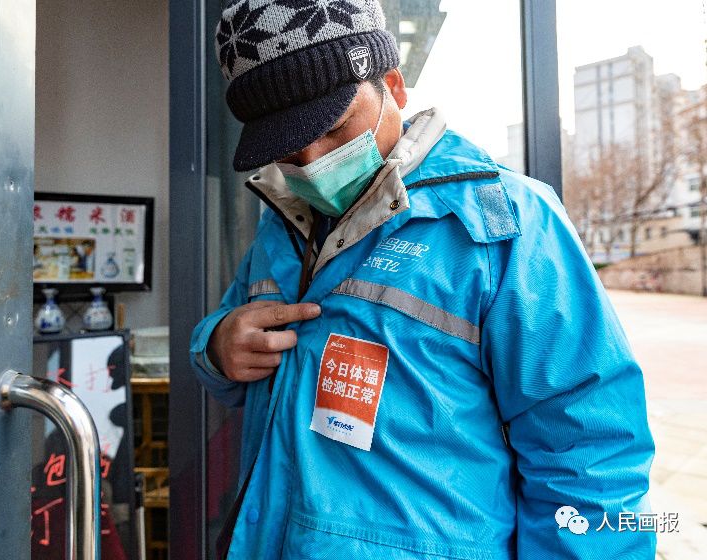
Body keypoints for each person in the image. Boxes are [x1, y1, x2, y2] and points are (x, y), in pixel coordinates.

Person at [190, 1, 656, 558]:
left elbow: (590, 458)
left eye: (334, 129)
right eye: (287, 147)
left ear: (393, 85)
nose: (311, 162)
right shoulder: (282, 223)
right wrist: (216, 347)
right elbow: (234, 346)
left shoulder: (504, 223)